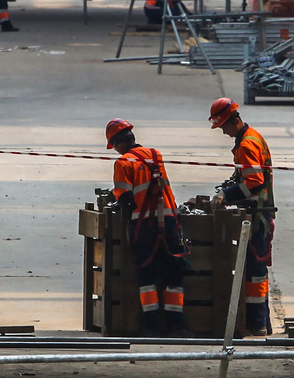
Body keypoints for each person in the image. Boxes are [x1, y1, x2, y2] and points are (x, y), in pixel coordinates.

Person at [106, 118, 189, 334]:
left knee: (147, 277)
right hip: (170, 222)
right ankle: (177, 327)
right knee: (174, 275)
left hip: (145, 227)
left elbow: (126, 200)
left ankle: (152, 327)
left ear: (118, 143)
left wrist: (118, 204)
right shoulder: (155, 155)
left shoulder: (123, 163)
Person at [209, 96, 275, 334]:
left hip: (257, 215)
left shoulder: (247, 144)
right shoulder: (252, 137)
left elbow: (254, 183)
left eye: (224, 127)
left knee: (255, 271)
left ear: (233, 121)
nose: (224, 132)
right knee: (255, 270)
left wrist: (227, 195)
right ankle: (262, 322)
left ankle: (257, 324)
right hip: (260, 212)